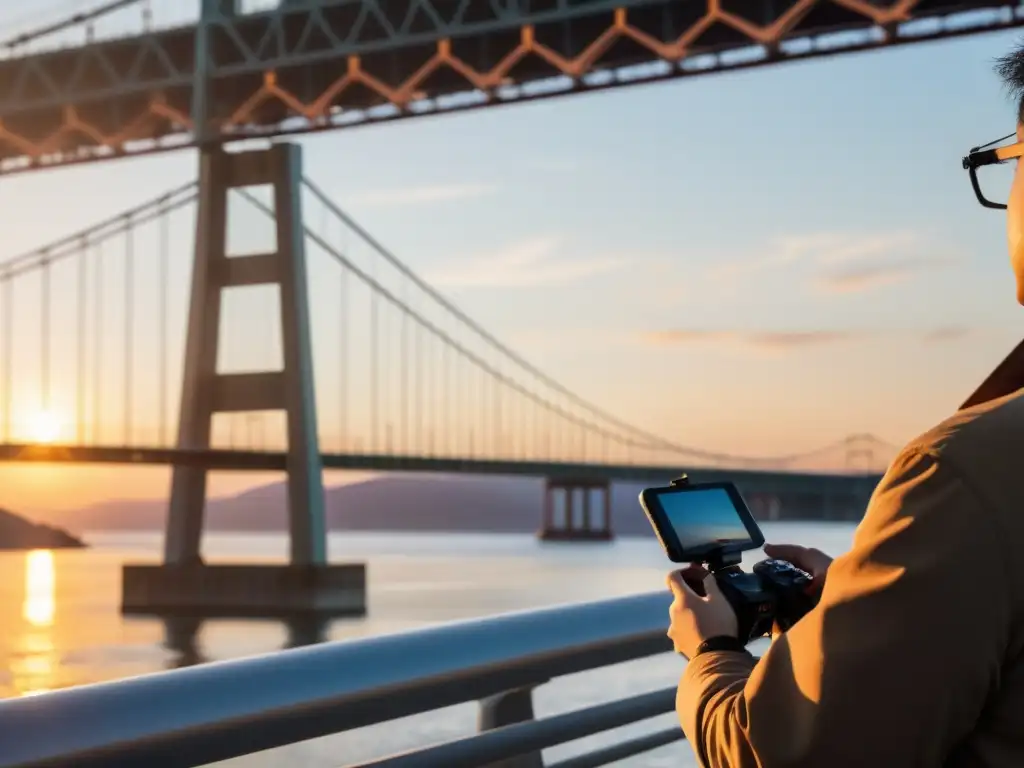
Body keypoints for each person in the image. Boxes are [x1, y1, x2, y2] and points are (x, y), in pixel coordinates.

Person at [665, 44, 1024, 767]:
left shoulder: (966, 474)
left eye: (1012, 161)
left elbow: (783, 755)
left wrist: (713, 653)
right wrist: (874, 599)